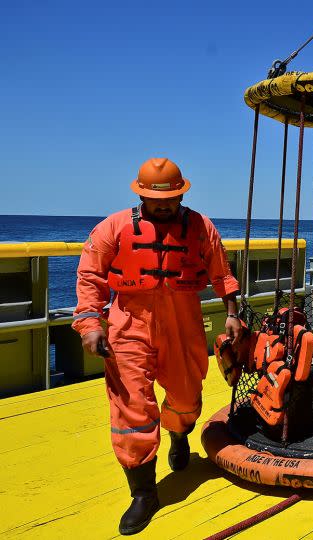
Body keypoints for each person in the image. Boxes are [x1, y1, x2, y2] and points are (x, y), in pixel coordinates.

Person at [73, 158, 242, 534]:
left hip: (183, 323)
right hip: (128, 325)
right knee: (131, 407)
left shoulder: (200, 227)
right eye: (155, 199)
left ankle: (179, 435)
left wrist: (232, 313)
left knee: (186, 396)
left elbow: (222, 272)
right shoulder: (113, 227)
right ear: (140, 194)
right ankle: (143, 492)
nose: (163, 205)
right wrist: (89, 324)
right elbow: (90, 275)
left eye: (171, 198)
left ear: (182, 193)